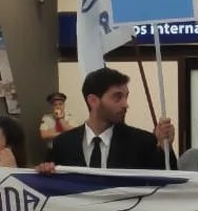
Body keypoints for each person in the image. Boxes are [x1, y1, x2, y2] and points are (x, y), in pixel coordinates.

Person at [38, 67, 176, 172]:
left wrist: (166, 148)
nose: (125, 104)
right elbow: (47, 187)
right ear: (93, 101)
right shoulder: (63, 144)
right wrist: (43, 172)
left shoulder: (143, 142)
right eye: (117, 97)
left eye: (126, 97)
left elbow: (168, 187)